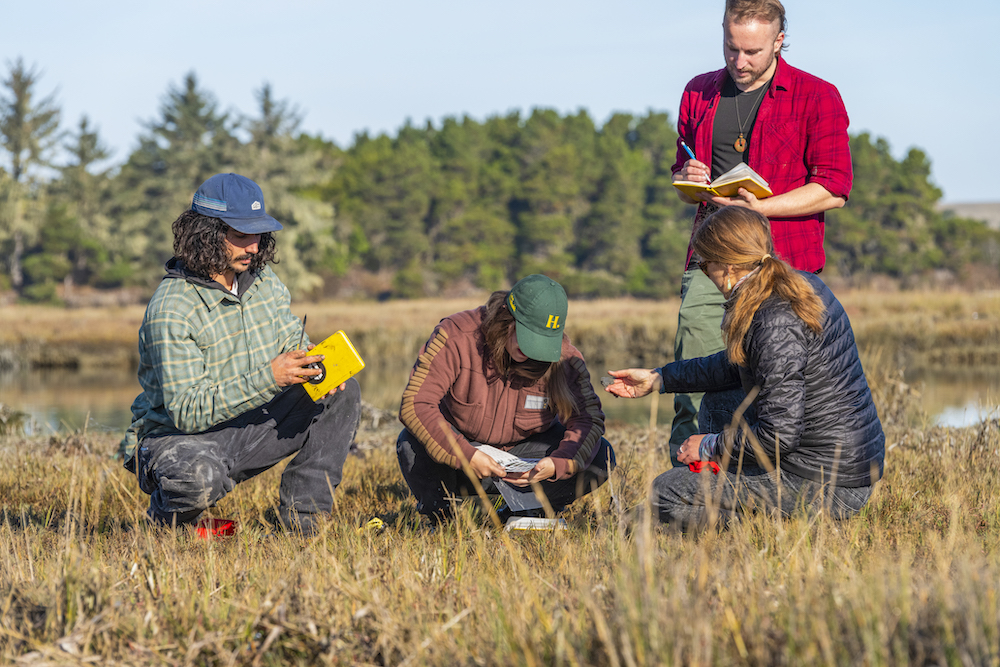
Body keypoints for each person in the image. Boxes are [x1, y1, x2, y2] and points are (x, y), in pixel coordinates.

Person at [606, 207, 884, 530]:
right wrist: (659, 378)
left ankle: (754, 524)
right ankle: (730, 497)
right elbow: (735, 365)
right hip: (838, 462)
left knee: (666, 491)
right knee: (716, 401)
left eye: (704, 263)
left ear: (727, 266)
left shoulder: (772, 319)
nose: (703, 272)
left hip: (829, 484)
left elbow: (779, 436)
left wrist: (708, 445)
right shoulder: (794, 283)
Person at [120, 173, 361, 534]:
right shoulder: (171, 309)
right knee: (195, 479)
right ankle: (167, 521)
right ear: (206, 233)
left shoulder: (265, 282)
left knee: (344, 393)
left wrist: (311, 365)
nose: (253, 246)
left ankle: (304, 523)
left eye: (258, 234)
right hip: (176, 439)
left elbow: (290, 341)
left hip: (251, 420)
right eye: (241, 235)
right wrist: (271, 377)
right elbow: (187, 412)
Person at [668, 0, 853, 466]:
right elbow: (684, 176)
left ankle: (778, 474)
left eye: (752, 51)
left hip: (786, 264)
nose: (740, 62)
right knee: (694, 365)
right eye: (732, 48)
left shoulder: (818, 95)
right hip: (709, 258)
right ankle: (687, 472)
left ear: (779, 40)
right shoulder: (698, 92)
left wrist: (762, 209)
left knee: (780, 376)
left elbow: (833, 188)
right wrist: (689, 178)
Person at [396, 274, 615, 525]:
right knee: (410, 444)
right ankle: (444, 518)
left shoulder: (565, 358)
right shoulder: (456, 336)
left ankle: (528, 513)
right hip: (460, 458)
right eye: (527, 337)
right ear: (505, 317)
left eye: (542, 343)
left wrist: (558, 463)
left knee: (601, 456)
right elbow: (416, 404)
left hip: (525, 463)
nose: (532, 351)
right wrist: (465, 454)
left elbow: (588, 420)